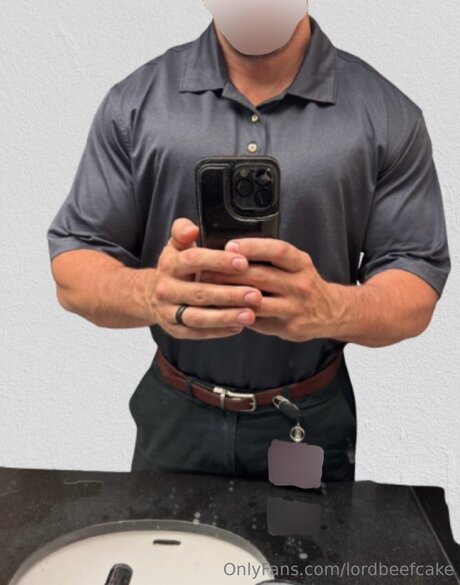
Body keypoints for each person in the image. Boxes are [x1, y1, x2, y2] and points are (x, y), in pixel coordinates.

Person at [46, 1, 451, 481]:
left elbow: (416, 287)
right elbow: (74, 265)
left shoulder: (387, 115)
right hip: (175, 417)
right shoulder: (135, 104)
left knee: (301, 535)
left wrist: (329, 309)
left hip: (306, 421)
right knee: (164, 534)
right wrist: (151, 294)